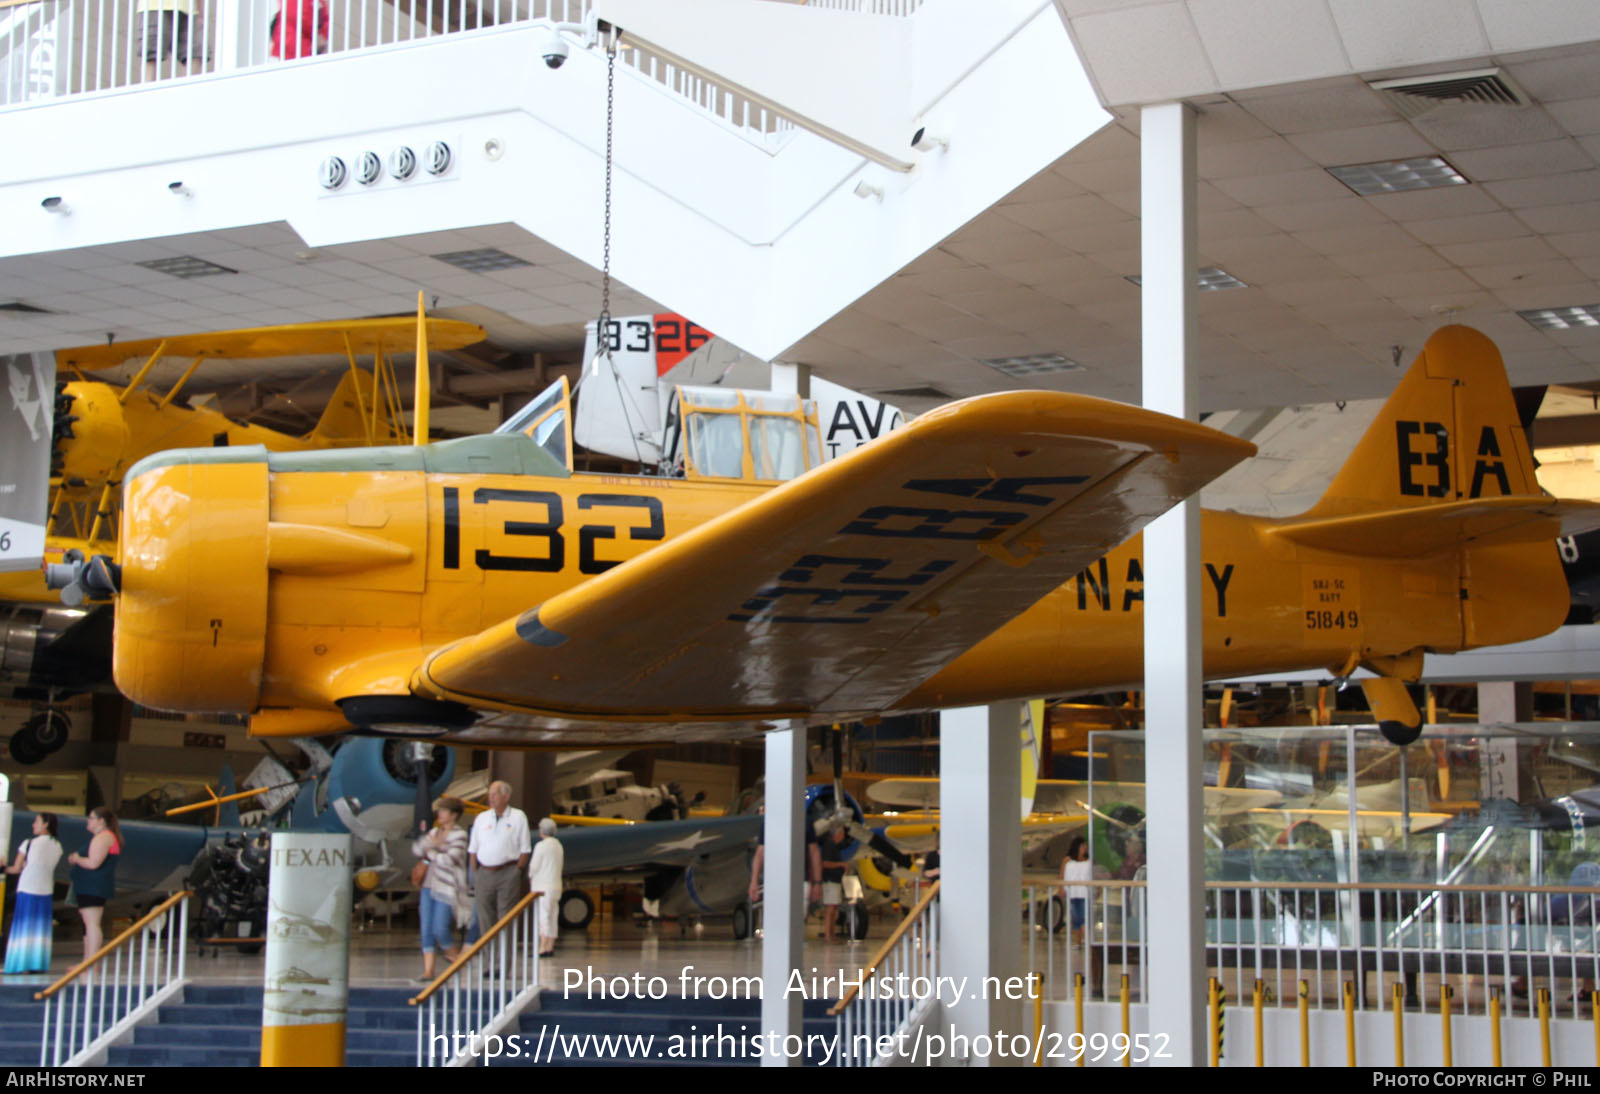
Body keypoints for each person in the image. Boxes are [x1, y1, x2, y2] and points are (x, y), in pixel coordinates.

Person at [411, 796, 469, 982]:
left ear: (453, 815)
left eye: (443, 810)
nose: (439, 814)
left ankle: (458, 961)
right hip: (428, 885)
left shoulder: (460, 835)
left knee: (440, 928)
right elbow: (418, 849)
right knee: (426, 928)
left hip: (448, 887)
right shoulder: (435, 832)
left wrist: (433, 851)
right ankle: (429, 970)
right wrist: (434, 848)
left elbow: (450, 859)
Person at [469, 781, 530, 936]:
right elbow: (473, 849)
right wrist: (476, 874)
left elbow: (525, 849)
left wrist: (516, 871)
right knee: (485, 918)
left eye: (495, 794)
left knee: (506, 918)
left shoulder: (518, 817)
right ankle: (489, 957)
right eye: (489, 794)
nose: (491, 798)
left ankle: (505, 958)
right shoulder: (481, 818)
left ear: (506, 796)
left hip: (507, 871)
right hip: (484, 872)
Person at [4, 813, 63, 974]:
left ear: (46, 824)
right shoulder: (57, 846)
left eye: (36, 822)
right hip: (45, 890)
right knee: (40, 928)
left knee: (22, 927)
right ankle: (38, 964)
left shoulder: (28, 844)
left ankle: (17, 964)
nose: (33, 825)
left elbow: (15, 869)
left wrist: (2, 867)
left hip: (28, 888)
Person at [67, 808, 122, 958]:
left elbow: (93, 863)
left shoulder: (103, 838)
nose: (88, 821)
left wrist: (76, 858)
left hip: (93, 886)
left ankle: (91, 961)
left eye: (91, 818)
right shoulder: (102, 837)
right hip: (89, 886)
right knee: (89, 923)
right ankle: (88, 960)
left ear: (101, 821)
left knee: (91, 923)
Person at [528, 818, 565, 956]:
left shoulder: (541, 846)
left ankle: (542, 946)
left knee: (543, 916)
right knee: (553, 915)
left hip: (542, 887)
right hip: (556, 886)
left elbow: (534, 866)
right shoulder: (558, 846)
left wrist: (531, 875)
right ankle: (550, 945)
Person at [136, 0, 196, 81]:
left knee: (196, 52)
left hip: (189, 8)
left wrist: (200, 12)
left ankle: (187, 88)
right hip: (155, 5)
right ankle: (146, 88)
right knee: (152, 51)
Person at [1061, 836, 1092, 946]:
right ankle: (1078, 941)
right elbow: (1062, 875)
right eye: (1082, 846)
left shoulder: (1088, 861)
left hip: (1084, 892)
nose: (1085, 848)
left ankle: (1085, 939)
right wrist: (1062, 889)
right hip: (1073, 892)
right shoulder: (1067, 861)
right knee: (1076, 918)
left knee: (1084, 917)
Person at [820, 828, 847, 941]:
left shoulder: (834, 846)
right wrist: (840, 864)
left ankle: (832, 933)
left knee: (833, 907)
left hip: (835, 880)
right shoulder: (829, 845)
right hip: (830, 880)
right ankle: (828, 935)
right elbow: (824, 863)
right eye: (842, 833)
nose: (844, 836)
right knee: (830, 908)